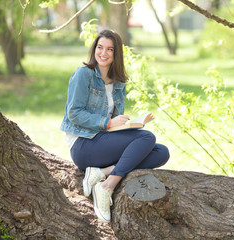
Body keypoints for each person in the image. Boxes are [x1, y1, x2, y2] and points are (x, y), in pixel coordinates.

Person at [60, 29, 170, 223]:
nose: (103, 53)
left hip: (103, 144)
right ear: (94, 49)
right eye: (100, 47)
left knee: (161, 152)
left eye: (110, 49)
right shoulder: (83, 75)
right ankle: (107, 187)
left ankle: (102, 173)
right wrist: (108, 122)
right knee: (147, 138)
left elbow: (114, 124)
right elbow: (74, 114)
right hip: (83, 144)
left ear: (116, 54)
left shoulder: (118, 82)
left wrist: (127, 125)